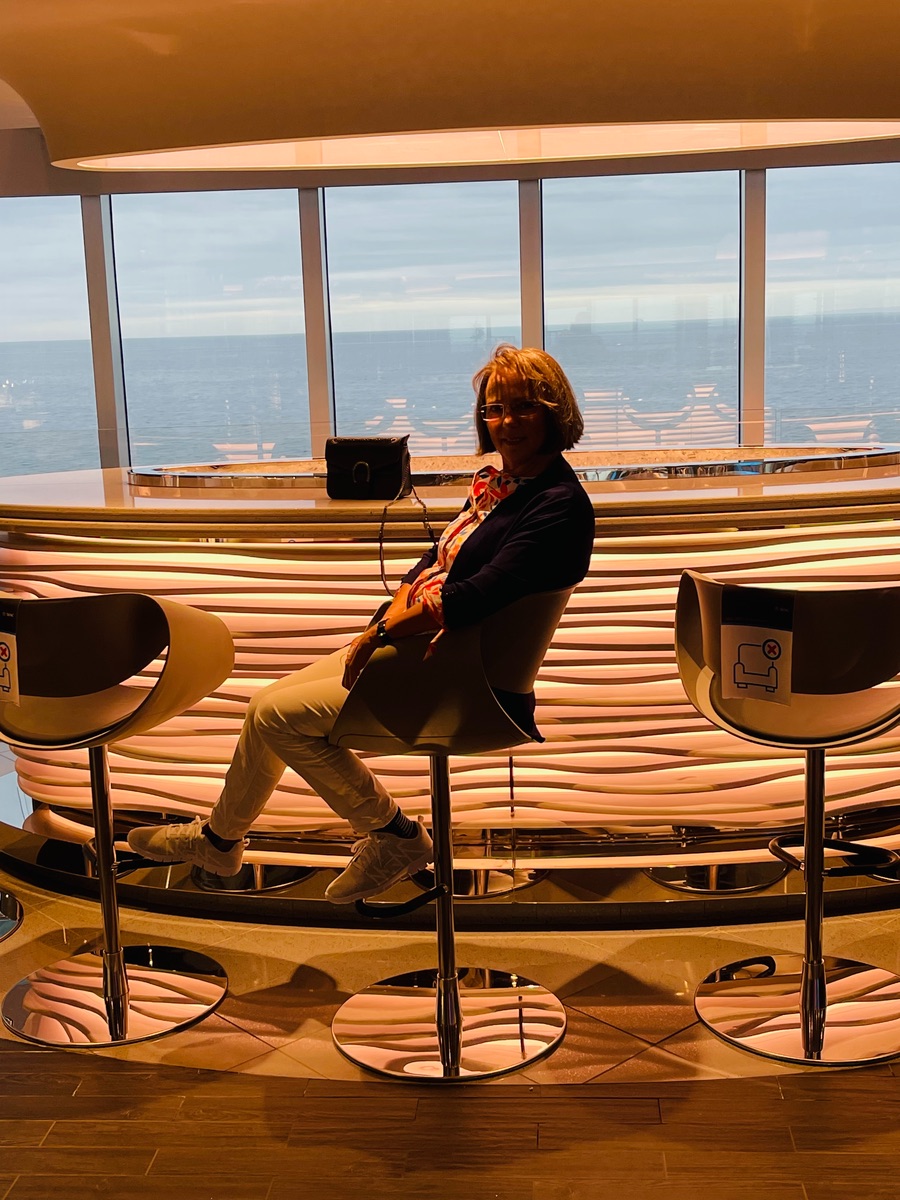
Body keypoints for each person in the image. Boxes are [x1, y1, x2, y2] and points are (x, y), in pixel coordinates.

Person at [127, 344, 596, 902]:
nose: (507, 422)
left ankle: (394, 836)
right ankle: (219, 842)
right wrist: (392, 614)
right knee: (263, 705)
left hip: (470, 680)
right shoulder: (501, 486)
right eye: (495, 409)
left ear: (554, 411)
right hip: (425, 650)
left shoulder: (558, 503)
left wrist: (380, 633)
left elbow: (475, 595)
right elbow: (434, 561)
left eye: (523, 407)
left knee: (278, 718)